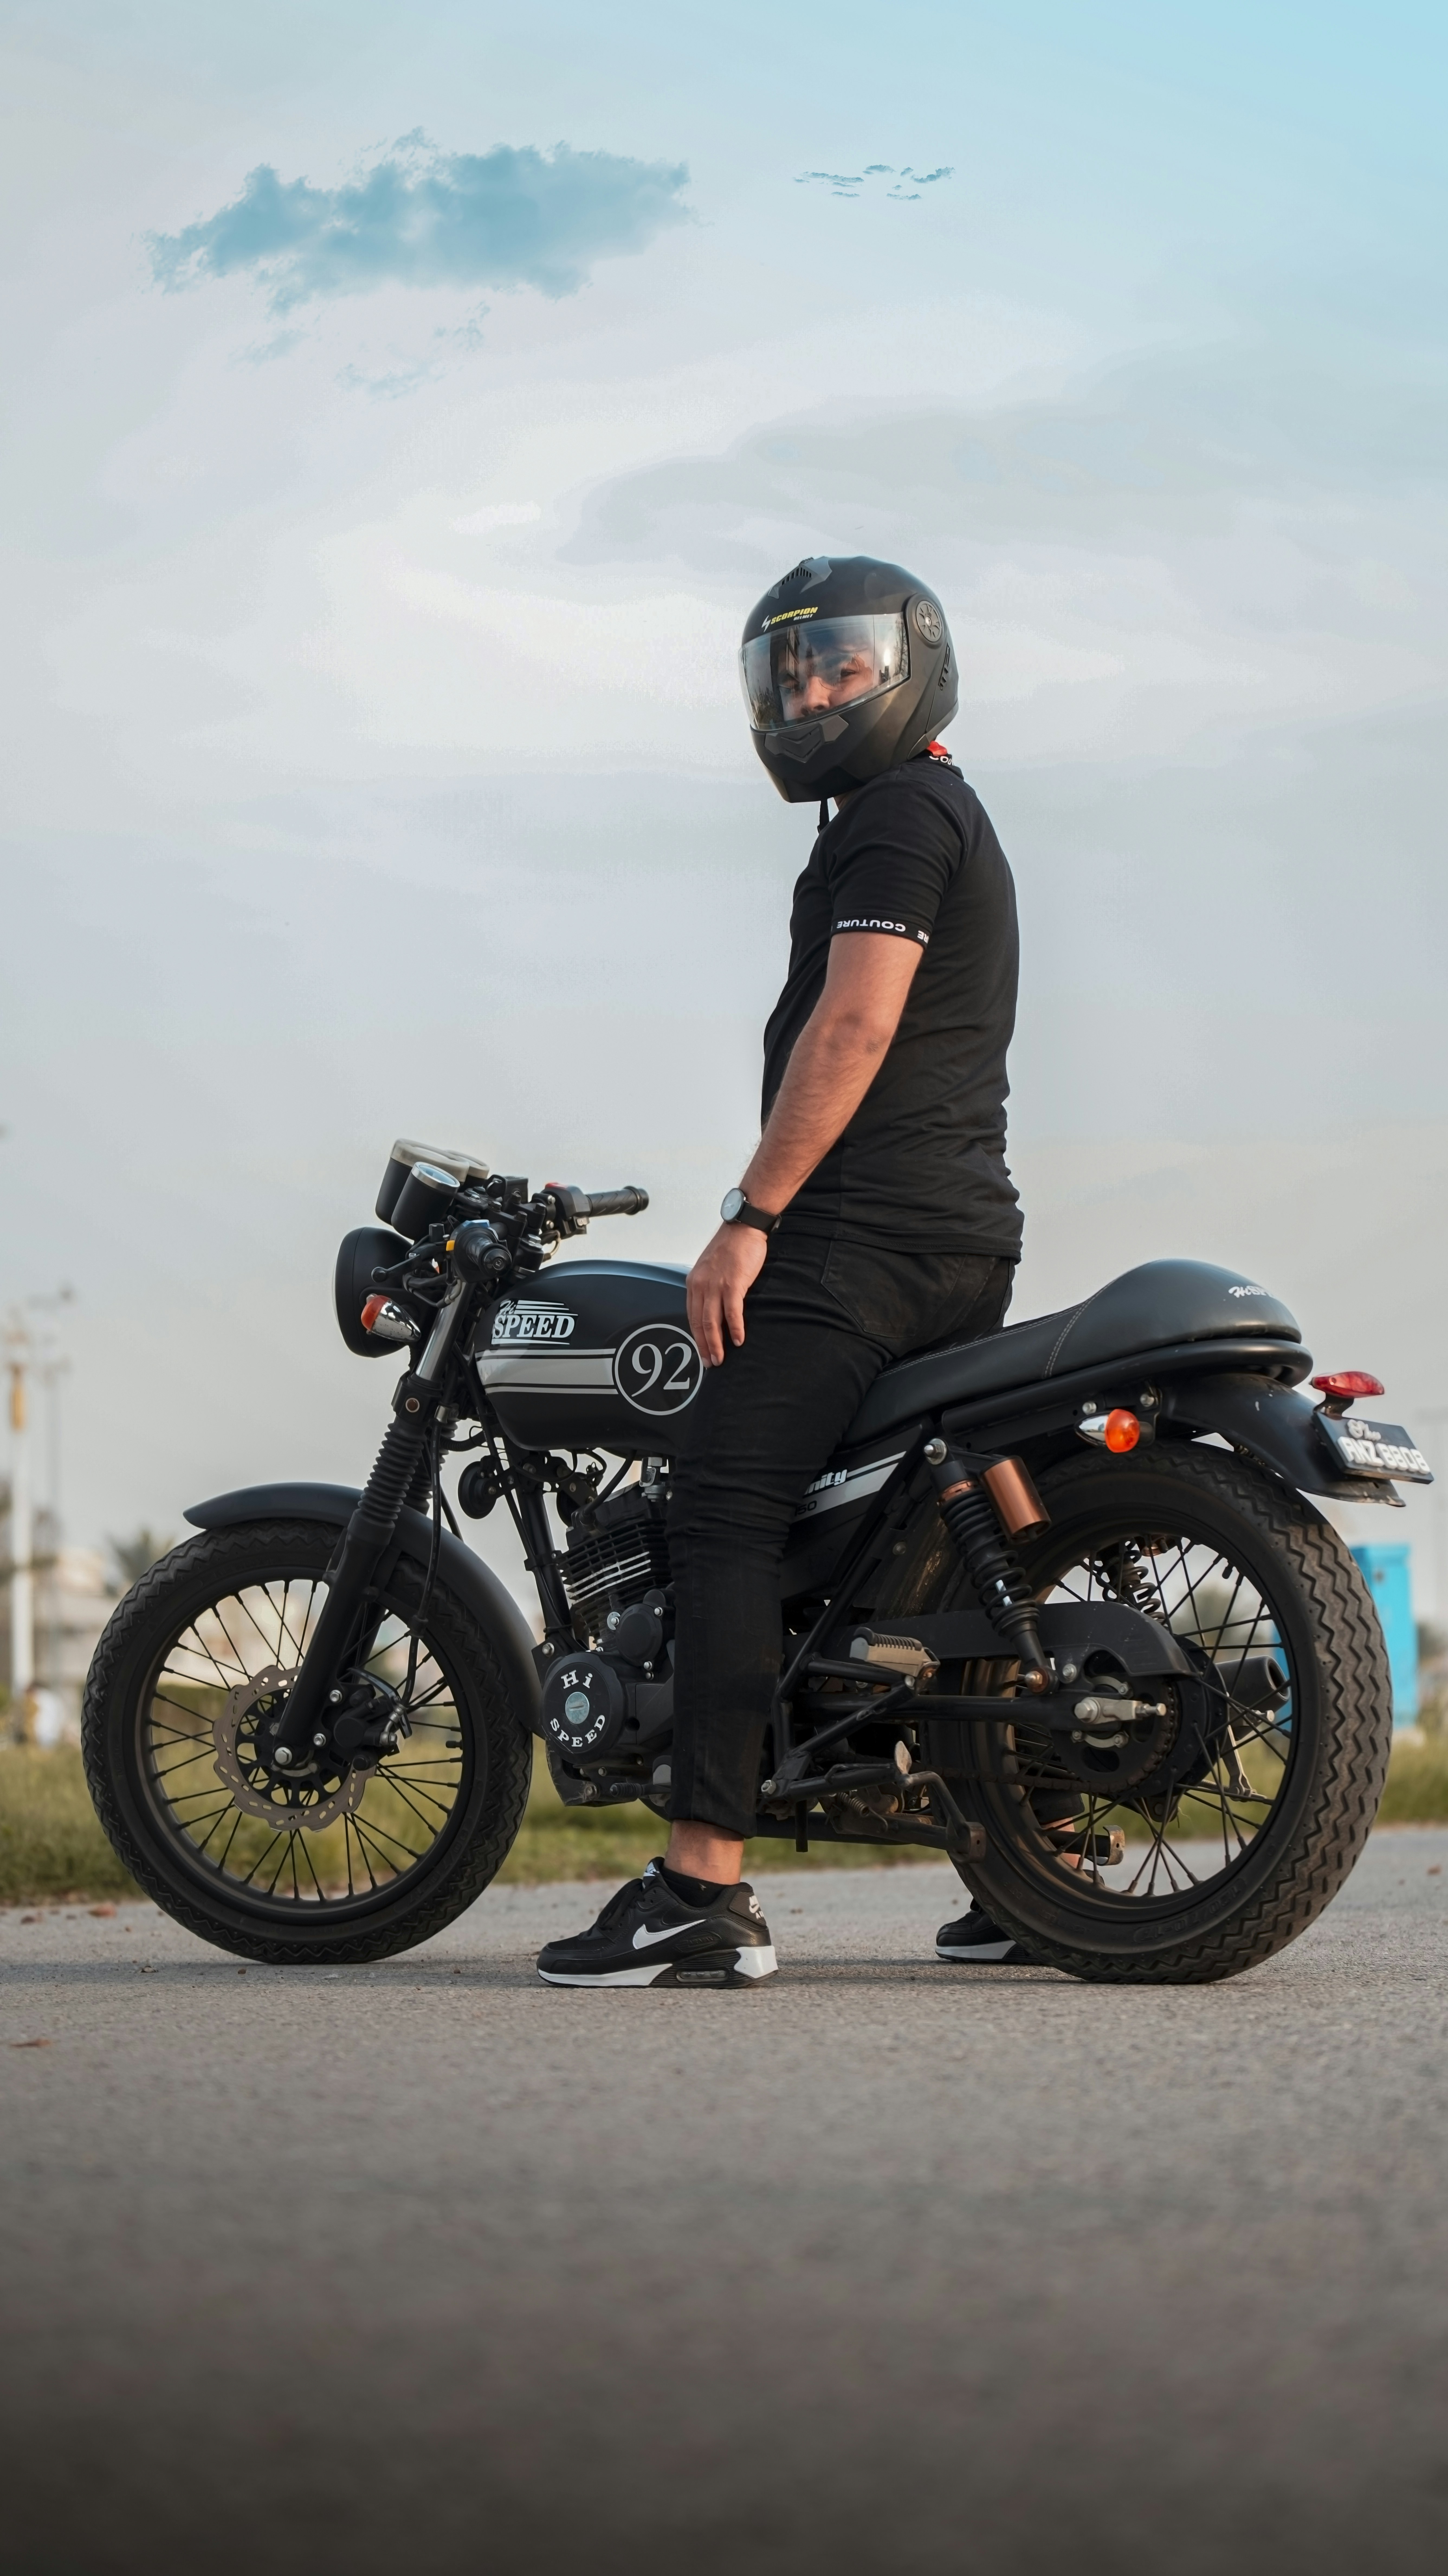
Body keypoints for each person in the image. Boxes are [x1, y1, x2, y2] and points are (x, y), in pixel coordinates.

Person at [537, 555, 1028, 1987]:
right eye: (791, 670)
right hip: (961, 1236)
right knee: (914, 1548)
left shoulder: (894, 816)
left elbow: (854, 1029)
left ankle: (701, 1890)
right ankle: (1029, 1853)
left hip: (860, 1242)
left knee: (724, 1510)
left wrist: (751, 1213)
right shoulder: (934, 810)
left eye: (841, 664)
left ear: (913, 667)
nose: (813, 691)